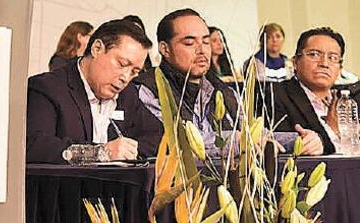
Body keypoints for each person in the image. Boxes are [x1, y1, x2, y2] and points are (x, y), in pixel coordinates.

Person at [136, 10, 322, 156]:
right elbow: (177, 144)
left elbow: (255, 134)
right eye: (189, 43)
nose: (202, 51)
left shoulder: (223, 90)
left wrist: (301, 140)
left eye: (206, 42)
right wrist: (236, 142)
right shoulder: (148, 88)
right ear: (165, 49)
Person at [27, 18, 163, 163]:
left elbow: (157, 137)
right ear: (97, 48)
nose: (125, 77)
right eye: (122, 64)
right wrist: (100, 153)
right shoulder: (48, 88)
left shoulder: (128, 94)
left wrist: (129, 150)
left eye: (134, 71)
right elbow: (35, 146)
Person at [267, 27, 360, 155]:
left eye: (332, 57)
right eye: (314, 54)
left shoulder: (348, 100)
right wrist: (331, 130)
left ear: (339, 69)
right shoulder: (275, 95)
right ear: (295, 62)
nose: (324, 63)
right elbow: (283, 149)